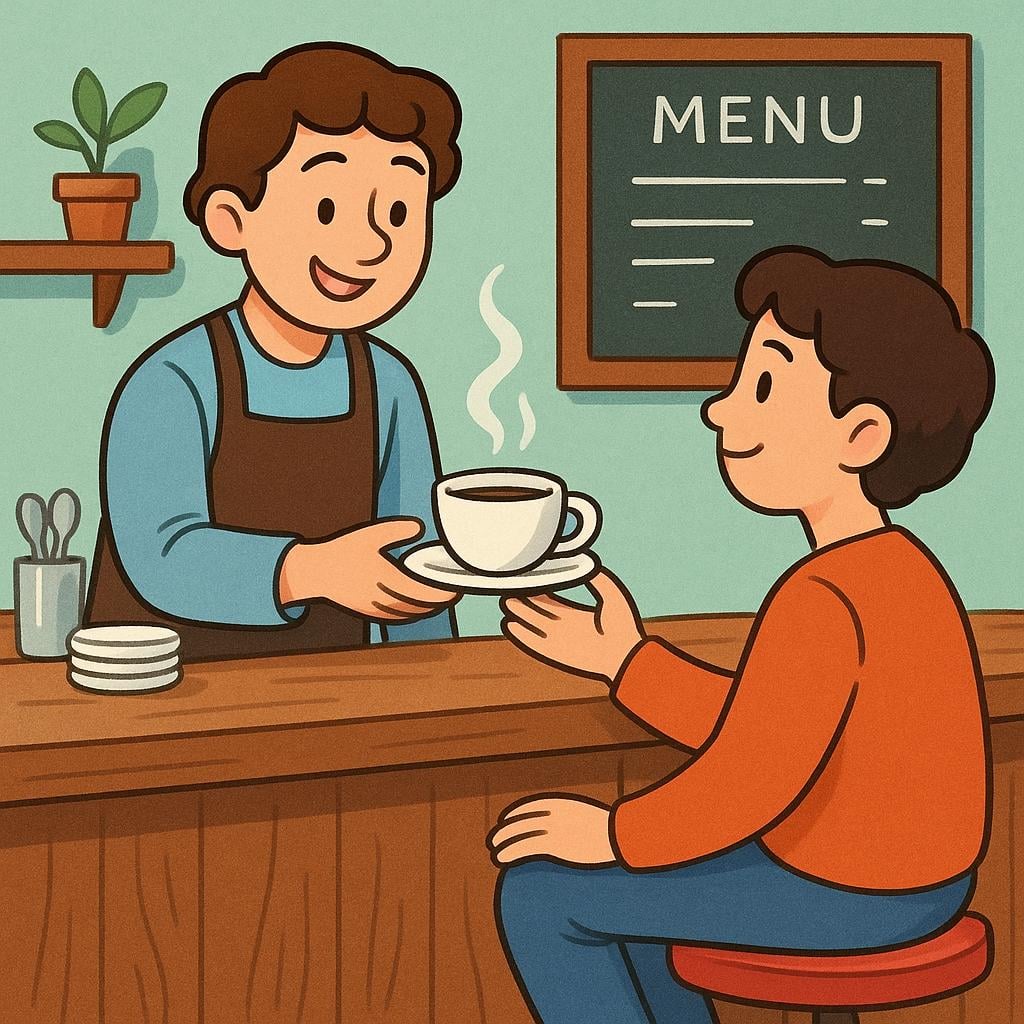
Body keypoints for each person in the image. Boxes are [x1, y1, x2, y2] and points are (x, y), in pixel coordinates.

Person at [492, 247, 995, 1024]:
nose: (720, 411)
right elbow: (773, 726)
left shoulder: (823, 595)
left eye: (762, 387)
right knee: (640, 903)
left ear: (861, 436)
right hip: (926, 887)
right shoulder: (902, 569)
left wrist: (614, 835)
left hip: (851, 892)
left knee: (543, 894)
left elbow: (751, 780)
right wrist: (626, 661)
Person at [86, 43, 463, 659]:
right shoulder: (174, 379)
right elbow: (161, 554)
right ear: (231, 219)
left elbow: (413, 559)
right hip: (164, 684)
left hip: (333, 686)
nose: (370, 243)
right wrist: (308, 571)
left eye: (398, 211)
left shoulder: (389, 381)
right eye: (327, 208)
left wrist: (432, 677)